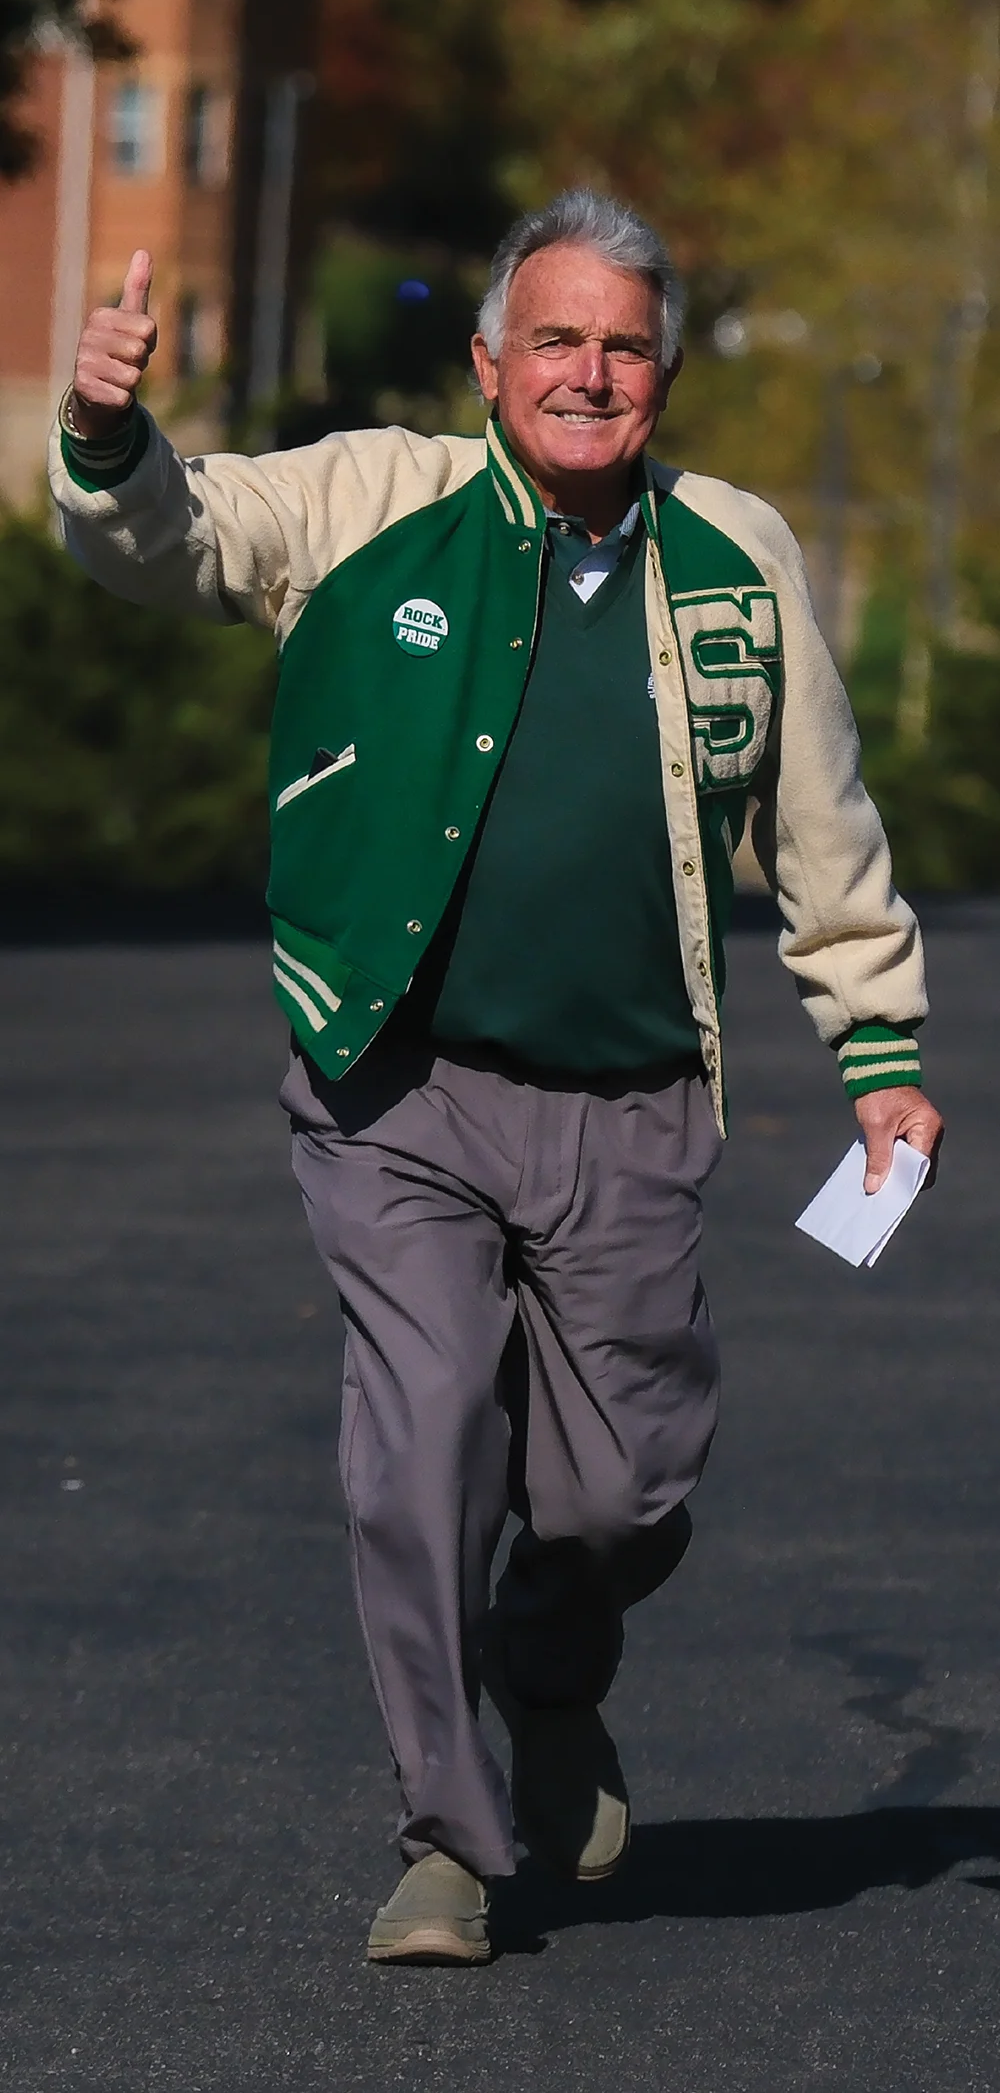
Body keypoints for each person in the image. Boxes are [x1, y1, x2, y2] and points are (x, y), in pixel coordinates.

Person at [50, 189, 943, 1967]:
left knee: (623, 1493)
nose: (589, 372)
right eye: (556, 337)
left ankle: (553, 1669)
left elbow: (821, 830)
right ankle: (446, 1836)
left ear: (665, 373)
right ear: (489, 359)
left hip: (628, 1100)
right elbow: (172, 538)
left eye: (623, 343)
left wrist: (881, 1049)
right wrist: (105, 432)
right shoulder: (371, 498)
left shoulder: (737, 557)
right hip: (401, 1080)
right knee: (427, 1429)